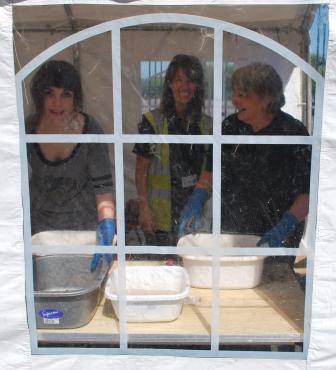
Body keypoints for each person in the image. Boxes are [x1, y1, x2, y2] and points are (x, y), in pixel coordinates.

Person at [179, 62, 310, 252]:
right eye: (234, 93)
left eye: (242, 95)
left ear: (266, 99)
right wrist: (196, 199)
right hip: (230, 233)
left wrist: (285, 226)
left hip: (277, 236)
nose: (234, 101)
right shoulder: (230, 127)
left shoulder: (293, 132)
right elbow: (211, 171)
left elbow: (308, 191)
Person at [28, 60, 116, 271]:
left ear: (76, 98)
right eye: (50, 93)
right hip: (41, 238)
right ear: (39, 95)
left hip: (84, 235)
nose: (57, 103)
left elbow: (103, 191)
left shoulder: (90, 129)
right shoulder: (27, 130)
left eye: (65, 94)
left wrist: (107, 225)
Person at [133, 54, 212, 249]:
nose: (185, 87)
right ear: (169, 84)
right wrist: (144, 209)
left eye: (191, 81)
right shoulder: (152, 122)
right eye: (179, 80)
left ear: (198, 86)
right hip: (160, 221)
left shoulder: (208, 125)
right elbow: (141, 169)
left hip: (196, 217)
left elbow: (210, 171)